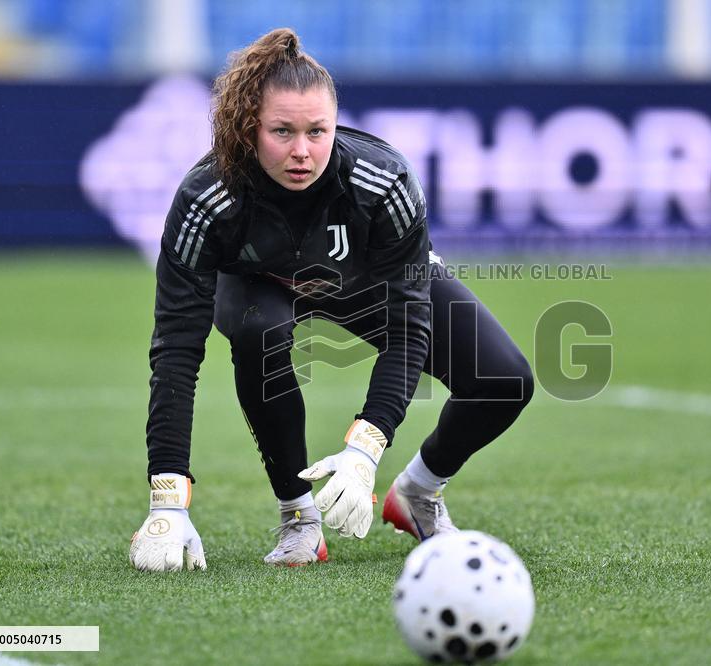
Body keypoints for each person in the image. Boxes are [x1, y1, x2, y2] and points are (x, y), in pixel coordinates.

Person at [129, 28, 533, 572]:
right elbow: (176, 347)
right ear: (249, 128)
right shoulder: (207, 198)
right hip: (260, 286)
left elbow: (408, 324)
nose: (302, 151)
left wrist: (366, 449)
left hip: (365, 281)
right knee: (258, 333)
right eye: (282, 131)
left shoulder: (383, 180)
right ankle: (298, 518)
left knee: (506, 380)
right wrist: (167, 499)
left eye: (317, 131)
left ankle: (418, 491)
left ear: (335, 124)